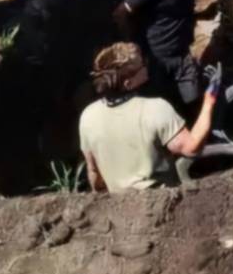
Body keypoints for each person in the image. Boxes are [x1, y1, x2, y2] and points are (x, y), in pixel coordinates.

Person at [79, 43, 218, 192]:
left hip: (118, 206)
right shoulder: (155, 109)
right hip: (160, 200)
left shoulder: (88, 115)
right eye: (142, 66)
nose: (146, 66)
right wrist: (210, 99)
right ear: (128, 83)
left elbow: (94, 172)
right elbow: (192, 147)